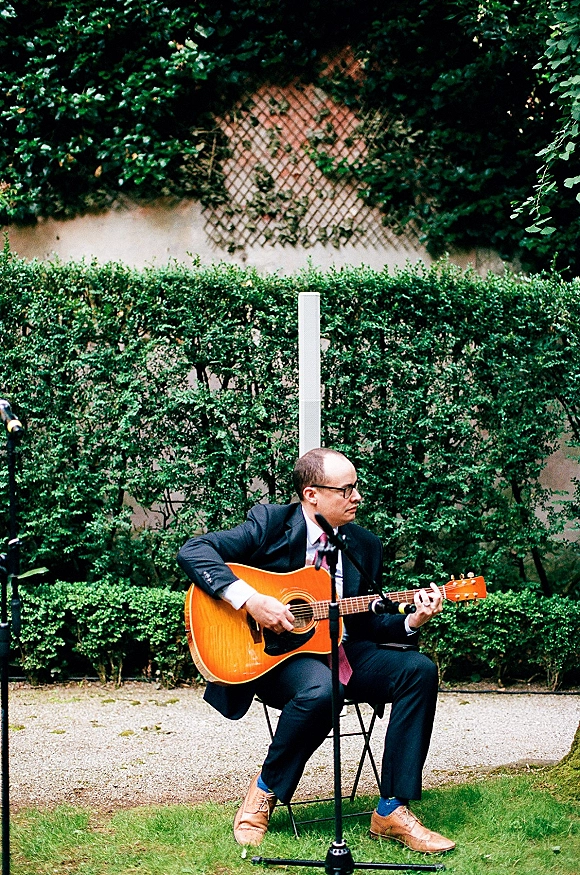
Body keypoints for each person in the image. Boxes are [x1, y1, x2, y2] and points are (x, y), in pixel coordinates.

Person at [177, 447, 455, 854]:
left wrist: (413, 620)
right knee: (324, 689)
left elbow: (367, 621)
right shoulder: (271, 523)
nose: (357, 497)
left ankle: (392, 810)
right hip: (278, 657)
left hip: (342, 650)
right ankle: (264, 790)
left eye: (356, 487)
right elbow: (194, 551)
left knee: (419, 670)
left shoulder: (365, 545)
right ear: (311, 495)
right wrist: (251, 600)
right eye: (346, 489)